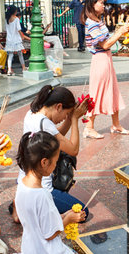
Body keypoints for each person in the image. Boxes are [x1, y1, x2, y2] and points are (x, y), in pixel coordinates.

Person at [13, 131, 95, 254]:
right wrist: (69, 219)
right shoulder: (42, 195)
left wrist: (65, 214)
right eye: (55, 162)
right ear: (44, 162)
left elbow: (38, 219)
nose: (56, 166)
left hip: (30, 248)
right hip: (46, 253)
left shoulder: (22, 184)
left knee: (71, 252)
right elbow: (50, 233)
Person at [10, 85, 89, 223]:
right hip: (43, 188)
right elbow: (73, 149)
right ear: (58, 107)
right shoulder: (45, 124)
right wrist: (75, 120)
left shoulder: (32, 114)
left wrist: (70, 118)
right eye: (66, 114)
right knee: (82, 212)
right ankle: (29, 210)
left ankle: (22, 206)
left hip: (25, 181)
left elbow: (54, 140)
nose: (65, 118)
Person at [82, 0, 129, 139]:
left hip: (106, 58)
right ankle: (89, 127)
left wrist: (118, 33)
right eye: (101, 3)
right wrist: (119, 32)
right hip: (100, 59)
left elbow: (108, 41)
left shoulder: (98, 20)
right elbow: (105, 44)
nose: (103, 5)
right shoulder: (91, 23)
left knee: (113, 90)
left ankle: (116, 124)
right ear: (92, 4)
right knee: (96, 93)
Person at [5, 5, 31, 76]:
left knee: (10, 55)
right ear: (14, 12)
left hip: (9, 39)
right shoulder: (16, 19)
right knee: (20, 54)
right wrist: (22, 36)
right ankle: (23, 67)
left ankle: (9, 70)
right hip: (16, 39)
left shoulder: (6, 19)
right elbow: (19, 29)